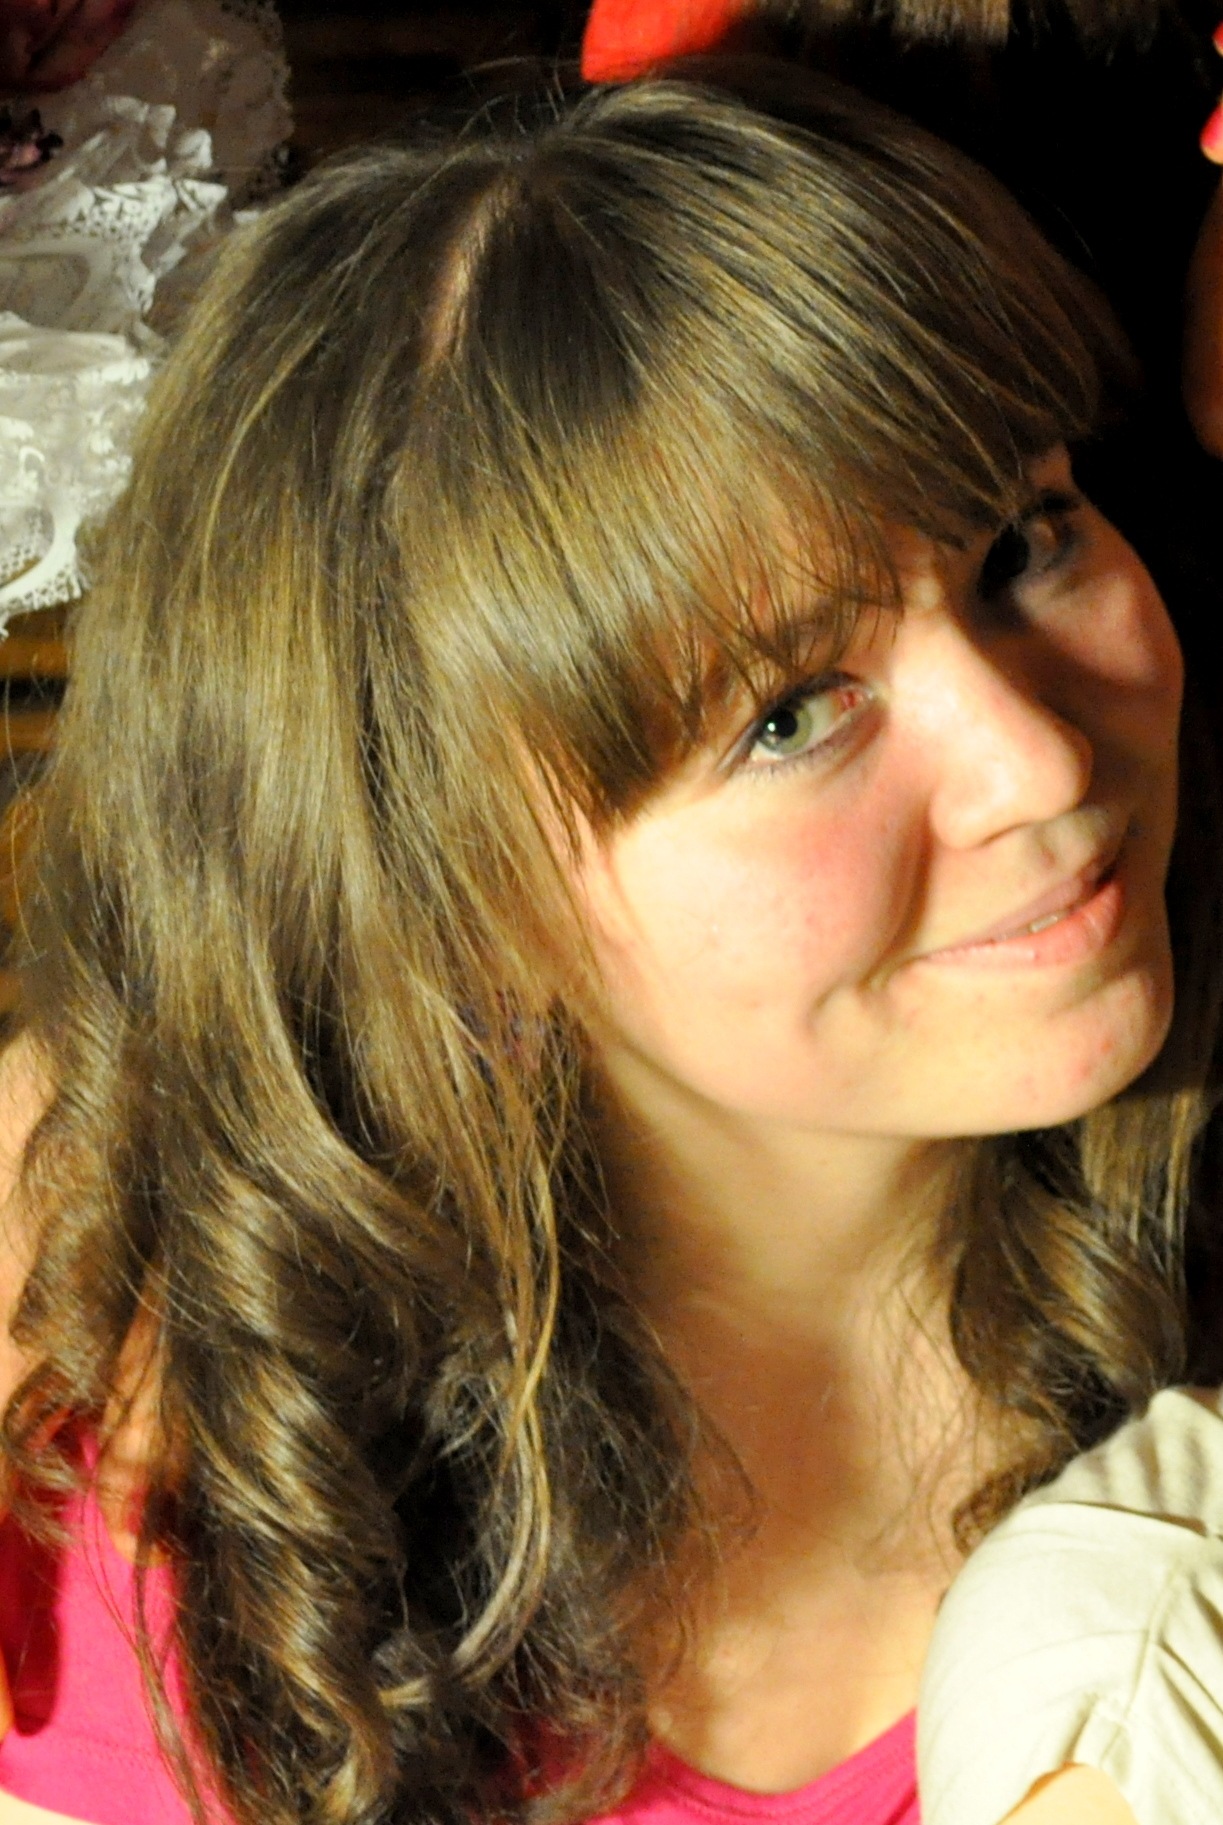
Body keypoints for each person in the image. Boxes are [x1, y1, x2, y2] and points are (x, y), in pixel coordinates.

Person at [0, 71, 1219, 1825]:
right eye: (789, 716)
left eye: (1024, 543)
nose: (1038, 759)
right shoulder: (147, 1597)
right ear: (457, 908)